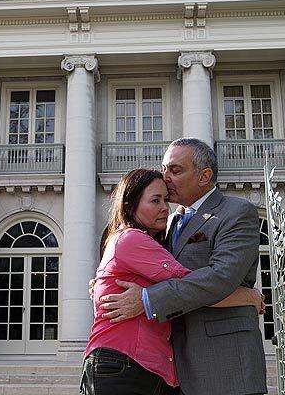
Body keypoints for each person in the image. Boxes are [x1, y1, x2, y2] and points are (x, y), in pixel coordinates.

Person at [98, 138, 268, 395]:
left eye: (175, 171)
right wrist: (103, 284)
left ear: (204, 176)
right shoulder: (170, 220)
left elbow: (221, 277)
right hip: (175, 365)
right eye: (164, 169)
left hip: (225, 363)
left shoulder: (236, 211)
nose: (165, 178)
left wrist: (147, 299)